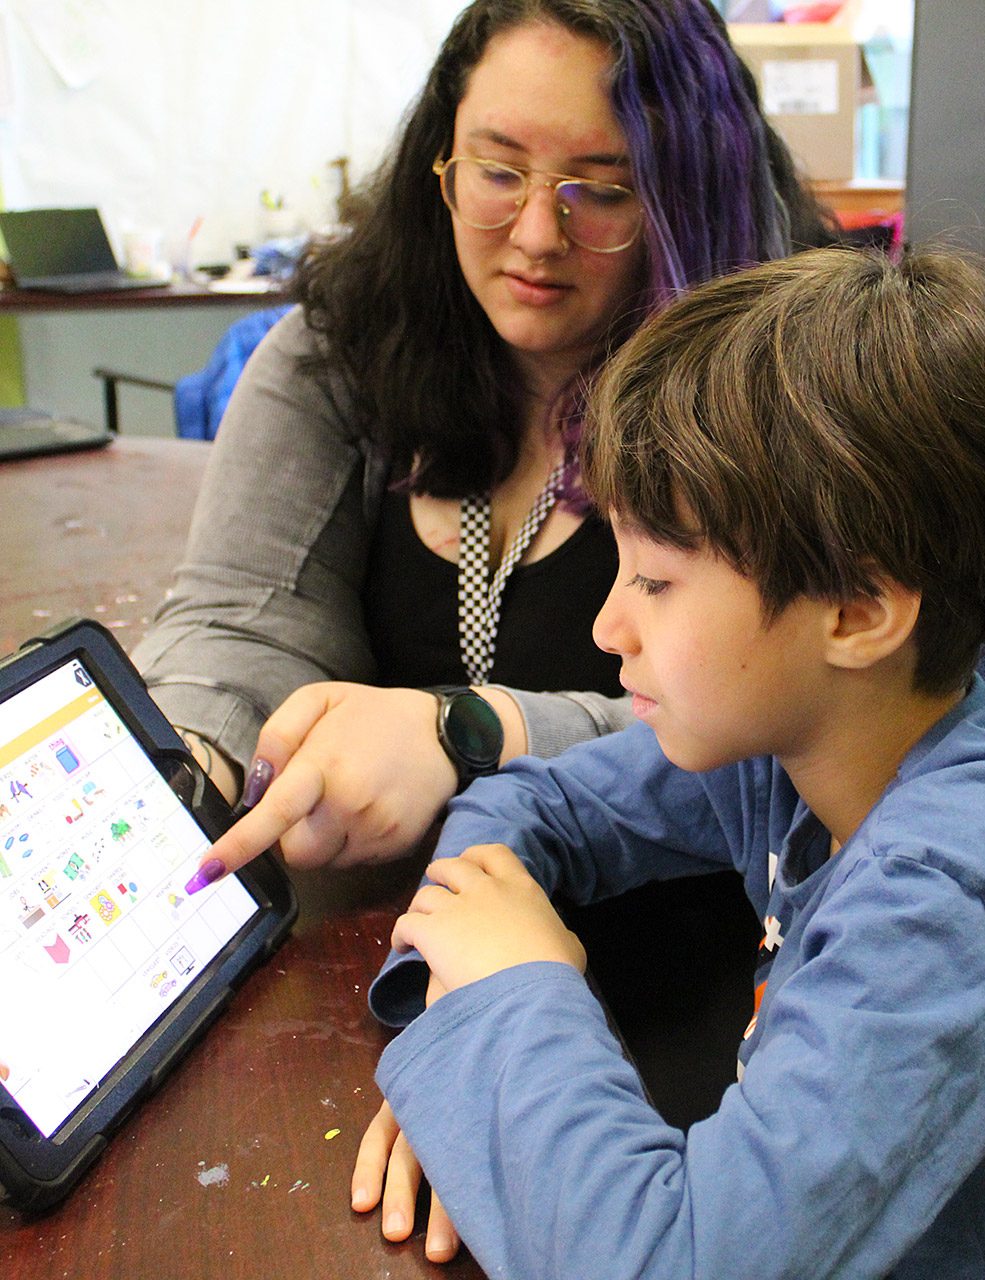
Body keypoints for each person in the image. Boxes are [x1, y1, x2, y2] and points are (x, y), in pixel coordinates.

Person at [202, 245, 985, 1277]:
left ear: (858, 611)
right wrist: (476, 1049)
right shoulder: (834, 724)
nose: (608, 626)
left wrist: (512, 999)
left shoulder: (942, 906)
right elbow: (534, 802)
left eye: (656, 582)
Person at [140, 0, 833, 1134]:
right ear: (441, 161)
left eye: (601, 189)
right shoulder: (341, 351)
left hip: (676, 993)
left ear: (689, 191)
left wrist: (470, 731)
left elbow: (790, 738)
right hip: (392, 968)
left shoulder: (777, 389)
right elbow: (244, 617)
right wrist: (197, 763)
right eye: (498, 172)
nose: (536, 235)